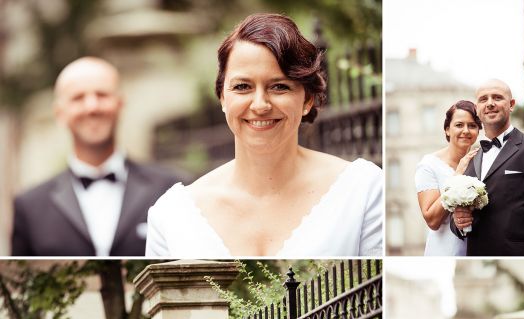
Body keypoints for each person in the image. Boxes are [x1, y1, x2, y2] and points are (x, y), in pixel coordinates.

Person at [145, 13, 383, 257]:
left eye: (279, 86)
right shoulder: (172, 216)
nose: (260, 105)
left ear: (307, 100)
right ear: (223, 98)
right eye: (242, 87)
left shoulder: (363, 191)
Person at [11, 57, 180, 256]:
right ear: (59, 113)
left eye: (102, 95)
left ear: (120, 104)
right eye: (78, 98)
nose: (92, 107)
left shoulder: (172, 190)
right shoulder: (29, 206)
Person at [450, 79, 524, 256]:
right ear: (477, 110)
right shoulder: (471, 157)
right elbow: (459, 216)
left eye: (497, 97)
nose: (490, 104)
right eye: (483, 99)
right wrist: (458, 222)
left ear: (511, 105)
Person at [414, 100, 481, 256]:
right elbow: (432, 220)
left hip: (477, 248)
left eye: (472, 126)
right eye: (459, 125)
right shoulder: (429, 165)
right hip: (445, 251)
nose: (466, 130)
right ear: (447, 130)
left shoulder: (482, 161)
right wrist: (457, 176)